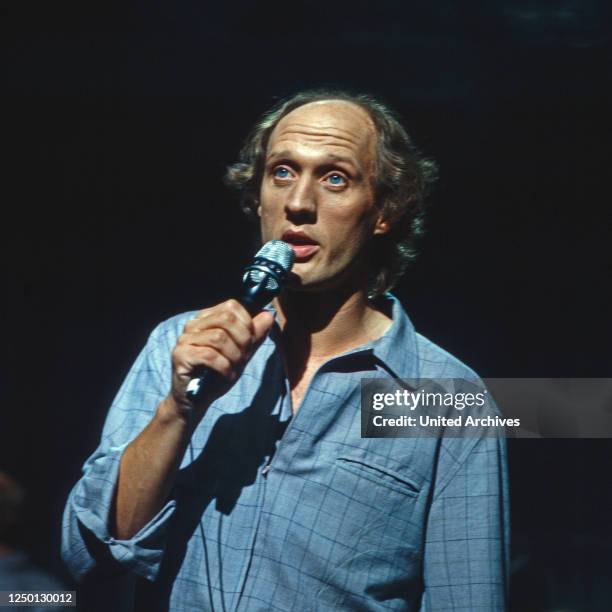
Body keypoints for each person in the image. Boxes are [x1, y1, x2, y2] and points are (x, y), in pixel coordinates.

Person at [62, 90, 509, 611]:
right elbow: (88, 557)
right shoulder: (178, 345)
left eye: (335, 177)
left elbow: (469, 600)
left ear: (386, 210)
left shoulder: (447, 398)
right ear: (257, 196)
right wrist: (179, 410)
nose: (298, 202)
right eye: (281, 172)